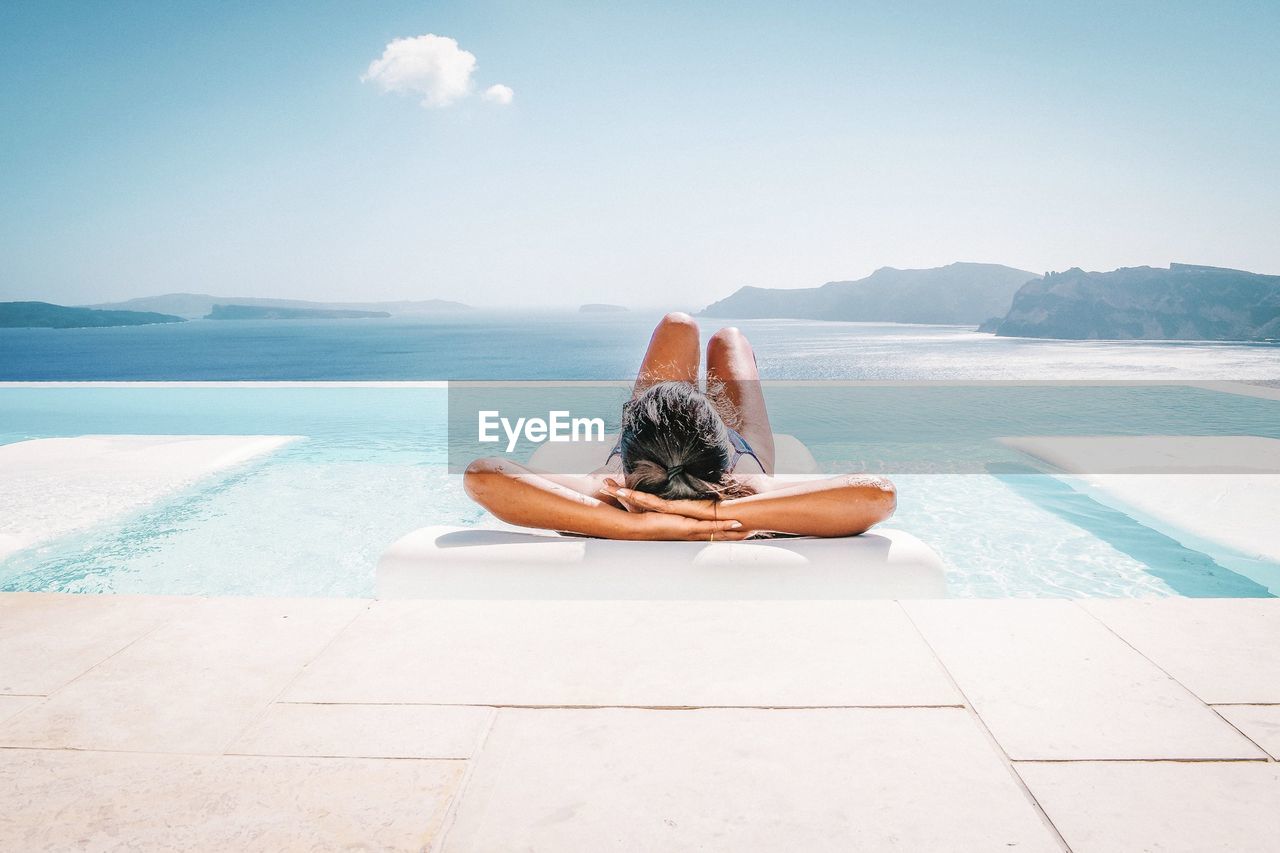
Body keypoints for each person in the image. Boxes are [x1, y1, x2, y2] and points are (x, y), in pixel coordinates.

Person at [464, 312, 896, 540]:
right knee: (729, 341)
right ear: (720, 443)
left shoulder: (612, 494)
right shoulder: (748, 490)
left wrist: (635, 525)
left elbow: (484, 476)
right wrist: (714, 512)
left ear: (624, 453)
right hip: (727, 468)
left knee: (677, 325)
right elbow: (876, 494)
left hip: (664, 468)